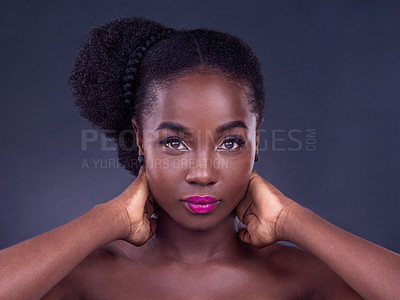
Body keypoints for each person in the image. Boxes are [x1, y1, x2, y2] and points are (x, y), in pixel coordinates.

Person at [0, 16, 399, 300]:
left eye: (229, 142)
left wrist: (296, 220)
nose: (203, 173)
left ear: (257, 141)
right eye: (175, 142)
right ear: (139, 139)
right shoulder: (82, 276)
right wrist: (107, 219)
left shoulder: (305, 278)